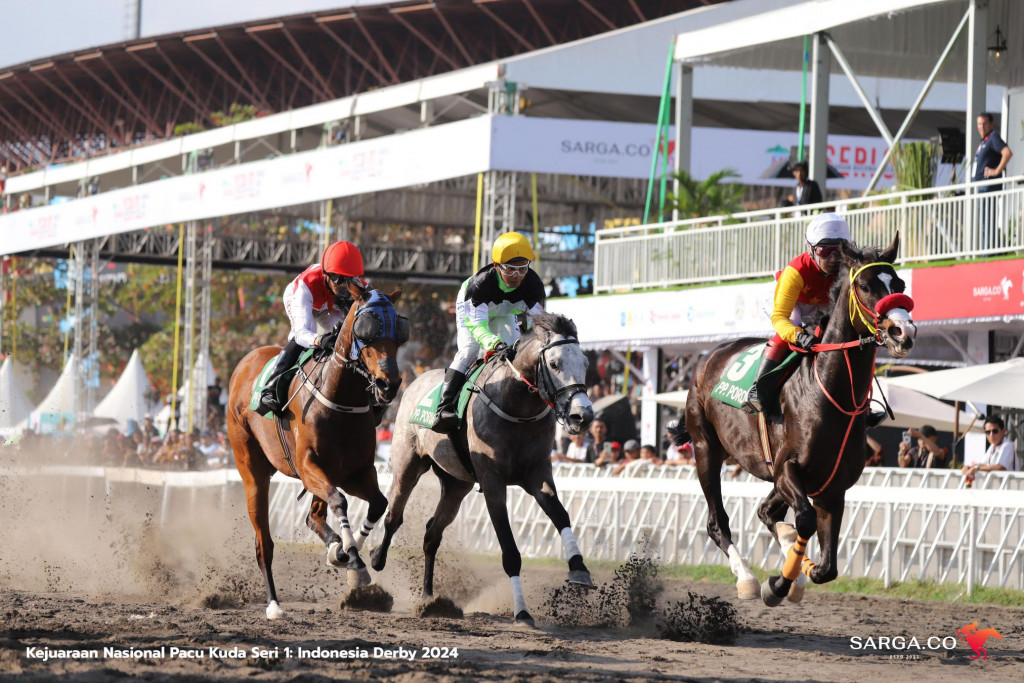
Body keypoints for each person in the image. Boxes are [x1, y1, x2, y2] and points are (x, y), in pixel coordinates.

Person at [742, 213, 886, 427]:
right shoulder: (796, 271)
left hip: (822, 303)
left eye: (839, 251)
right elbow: (781, 318)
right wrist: (797, 336)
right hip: (794, 304)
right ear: (811, 249)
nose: (834, 258)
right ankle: (758, 389)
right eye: (824, 251)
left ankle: (862, 404)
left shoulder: (847, 270)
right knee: (795, 327)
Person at [432, 232, 545, 433]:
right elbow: (477, 327)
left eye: (522, 268)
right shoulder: (480, 285)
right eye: (510, 270)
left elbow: (540, 324)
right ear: (496, 266)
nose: (517, 276)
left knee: (515, 352)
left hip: (505, 311)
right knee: (469, 350)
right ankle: (444, 407)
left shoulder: (534, 285)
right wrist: (494, 344)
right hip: (475, 312)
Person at [256, 240, 366, 417]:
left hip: (328, 308)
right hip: (302, 300)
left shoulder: (358, 285)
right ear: (326, 274)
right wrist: (319, 340)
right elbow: (301, 334)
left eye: (348, 280)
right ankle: (271, 387)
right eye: (338, 279)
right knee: (307, 338)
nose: (343, 285)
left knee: (343, 337)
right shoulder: (306, 284)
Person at [973, 113, 1013, 249]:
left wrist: (996, 171)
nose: (981, 127)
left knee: (988, 222)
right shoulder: (984, 141)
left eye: (984, 124)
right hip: (981, 187)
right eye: (979, 124)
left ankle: (990, 252)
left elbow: (1007, 153)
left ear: (991, 124)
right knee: (985, 222)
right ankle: (989, 251)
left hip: (988, 187)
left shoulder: (993, 137)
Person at [962, 416, 1017, 483]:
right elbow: (983, 464)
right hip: (998, 488)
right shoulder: (992, 447)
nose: (991, 435)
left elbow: (1000, 467)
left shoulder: (1008, 445)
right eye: (988, 432)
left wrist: (976, 468)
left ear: (1003, 431)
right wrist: (969, 467)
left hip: (1010, 489)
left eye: (995, 431)